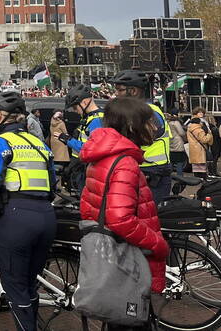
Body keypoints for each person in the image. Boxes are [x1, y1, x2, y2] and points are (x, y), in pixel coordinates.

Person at [80, 97, 170, 329]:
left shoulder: (102, 158)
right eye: (148, 122)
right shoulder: (125, 163)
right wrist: (157, 243)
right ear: (132, 126)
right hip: (128, 262)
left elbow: (89, 205)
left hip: (113, 260)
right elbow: (120, 218)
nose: (154, 127)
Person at [0, 90, 56, 331]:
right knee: (30, 284)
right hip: (45, 216)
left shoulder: (0, 143)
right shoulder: (39, 144)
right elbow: (52, 185)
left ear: (1, 115)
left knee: (15, 286)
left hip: (16, 217)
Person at [111, 71, 172, 203]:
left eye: (120, 90)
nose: (116, 94)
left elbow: (146, 137)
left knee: (149, 215)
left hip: (153, 171)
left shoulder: (150, 112)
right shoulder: (132, 112)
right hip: (140, 168)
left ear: (133, 91)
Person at [187, 108, 213, 178]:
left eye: (202, 113)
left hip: (195, 148)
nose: (201, 114)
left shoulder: (191, 124)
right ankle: (202, 182)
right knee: (201, 169)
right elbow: (203, 139)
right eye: (199, 112)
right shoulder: (197, 127)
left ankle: (199, 180)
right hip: (199, 149)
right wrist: (209, 135)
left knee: (197, 168)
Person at [48, 111, 70, 177]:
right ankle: (60, 174)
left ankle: (56, 173)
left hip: (53, 140)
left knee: (55, 157)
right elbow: (65, 132)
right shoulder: (61, 123)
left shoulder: (52, 122)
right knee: (62, 157)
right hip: (60, 141)